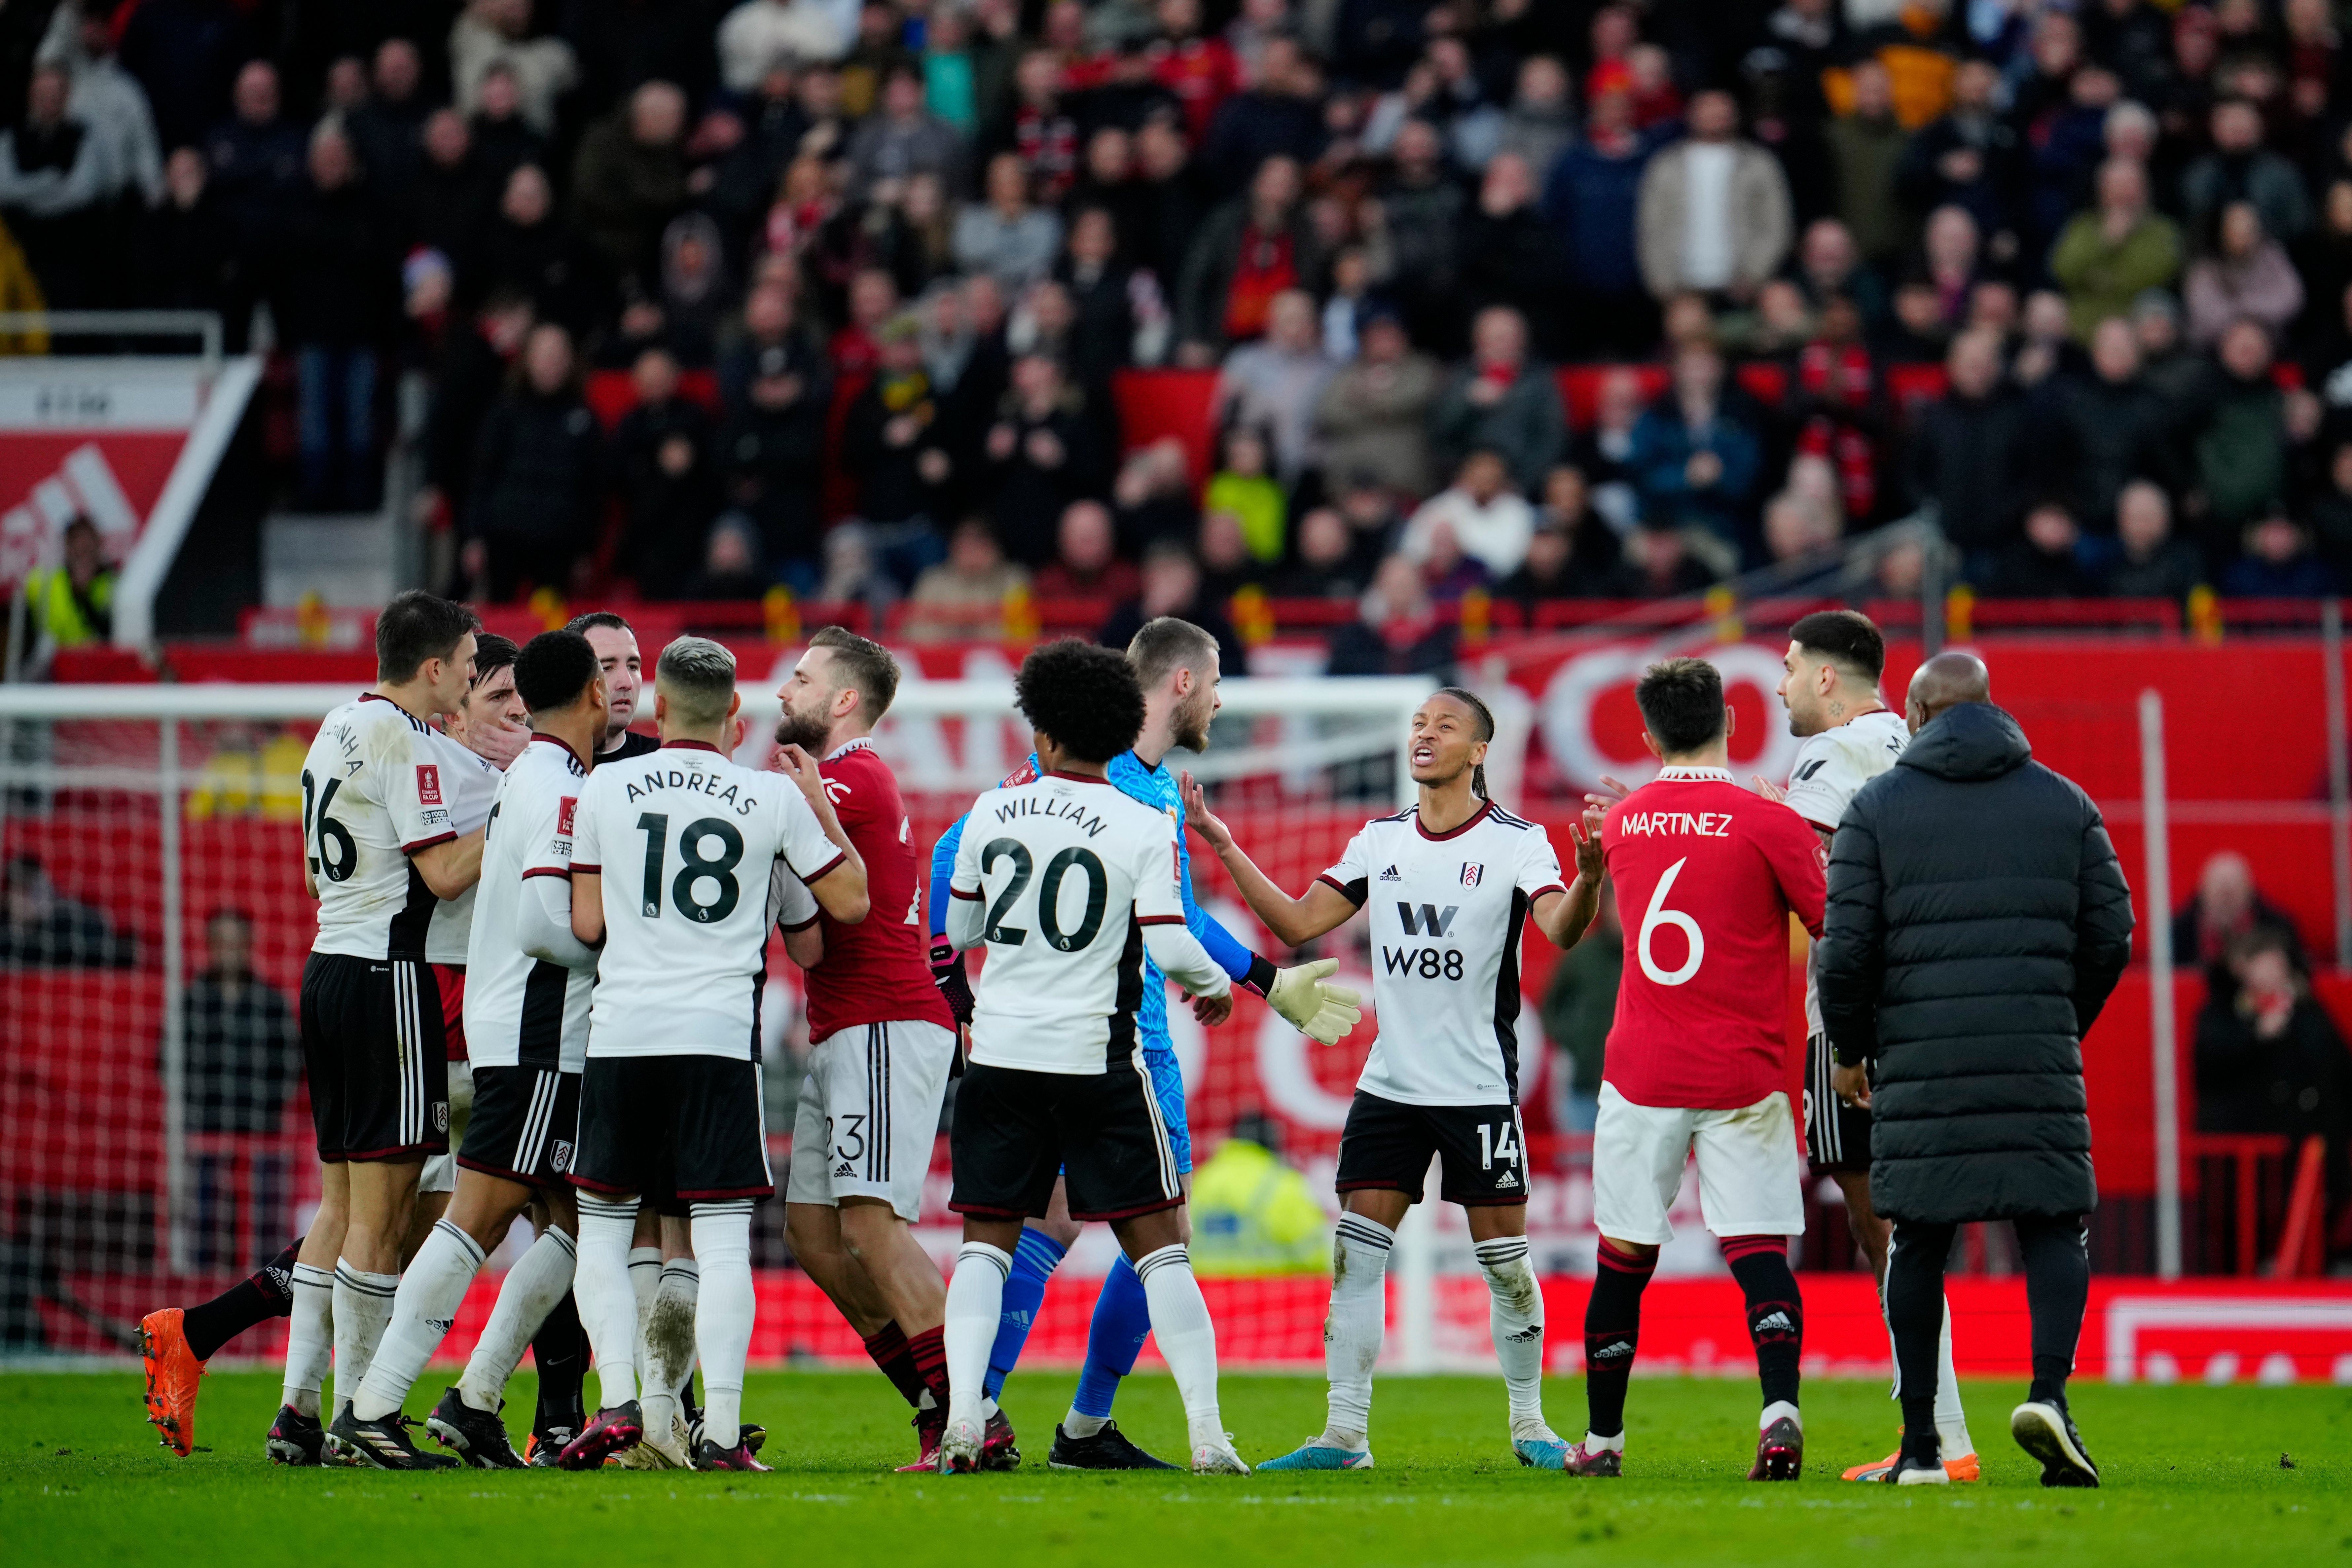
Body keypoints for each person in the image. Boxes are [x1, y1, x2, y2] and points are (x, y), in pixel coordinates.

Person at [924, 618, 1357, 1469]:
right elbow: (953, 863)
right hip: (1115, 1039)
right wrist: (1255, 981)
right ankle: (1072, 1419)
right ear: (1182, 684)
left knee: (1033, 1225)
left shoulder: (1112, 783)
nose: (1224, 699)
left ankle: (991, 1413)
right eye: (1218, 680)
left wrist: (960, 978)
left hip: (1041, 1040)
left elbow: (967, 883)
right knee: (1159, 1232)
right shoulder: (1117, 788)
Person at [1186, 688, 1606, 1473]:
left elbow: (1561, 928)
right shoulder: (1378, 840)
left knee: (1507, 1266)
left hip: (1478, 1087)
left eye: (1445, 727)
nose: (1425, 735)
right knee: (1355, 1255)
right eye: (1418, 724)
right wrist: (1224, 843)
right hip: (1391, 1089)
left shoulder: (1519, 843)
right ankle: (1344, 1436)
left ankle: (1530, 1426)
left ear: (1479, 752)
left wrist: (1588, 878)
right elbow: (1296, 924)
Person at [1816, 653, 2134, 1487]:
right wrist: (2062, 1018)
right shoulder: (2064, 802)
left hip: (1918, 1061)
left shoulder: (1876, 809)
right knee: (2052, 1225)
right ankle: (2050, 1398)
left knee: (1918, 1238)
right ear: (1990, 707)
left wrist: (1850, 1051)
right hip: (2035, 1050)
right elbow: (2113, 934)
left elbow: (1843, 954)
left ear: (1916, 714)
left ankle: (1921, 1445)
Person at [562, 637, 870, 1473]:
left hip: (623, 1032)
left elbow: (587, 927)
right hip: (715, 1039)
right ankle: (725, 1433)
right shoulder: (770, 796)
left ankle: (619, 1405)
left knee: (605, 1229)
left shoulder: (605, 786)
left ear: (659, 711)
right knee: (724, 1239)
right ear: (736, 715)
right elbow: (851, 900)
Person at [335, 630, 608, 1469]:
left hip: (513, 1022)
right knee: (477, 1216)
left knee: (578, 1223)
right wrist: (615, 948)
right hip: (537, 1028)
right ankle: (372, 1407)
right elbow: (542, 924)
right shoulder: (560, 788)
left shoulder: (526, 775)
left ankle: (474, 1399)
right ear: (594, 695)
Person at [1564, 657, 1825, 1481]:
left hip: (1642, 1069)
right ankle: (1779, 1416)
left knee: (1622, 1258)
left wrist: (1623, 818)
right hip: (1742, 1069)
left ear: (1645, 735)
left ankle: (1603, 1445)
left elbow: (1633, 840)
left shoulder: (1622, 822)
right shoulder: (1766, 819)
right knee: (1756, 1251)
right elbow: (1834, 924)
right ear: (1732, 722)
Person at [1761, 612, 1980, 1484]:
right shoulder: (1914, 742)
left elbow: (1818, 883)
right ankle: (1938, 1435)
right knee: (1898, 1218)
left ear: (1826, 678)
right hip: (1936, 997)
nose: (1778, 684)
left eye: (1787, 667)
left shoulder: (1832, 755)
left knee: (1880, 1218)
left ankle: (1939, 1438)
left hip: (1863, 1010)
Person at [271, 592, 486, 1466]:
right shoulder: (403, 736)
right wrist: (513, 818)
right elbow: (440, 873)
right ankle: (363, 1417)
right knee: (385, 1211)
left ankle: (297, 1407)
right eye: (470, 663)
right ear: (433, 668)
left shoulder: (335, 723)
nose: (475, 676)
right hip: (384, 980)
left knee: (339, 1204)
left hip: (325, 967)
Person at [772, 629, 962, 1470]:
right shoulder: (837, 784)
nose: (785, 691)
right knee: (814, 1234)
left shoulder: (850, 778)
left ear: (844, 701)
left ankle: (970, 1419)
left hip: (885, 1023)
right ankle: (936, 1403)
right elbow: (809, 942)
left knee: (873, 1227)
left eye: (803, 679)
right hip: (845, 1024)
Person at [567, 611, 662, 762]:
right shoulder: (536, 768)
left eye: (633, 667)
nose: (627, 683)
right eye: (607, 668)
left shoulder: (663, 764)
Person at [22, 515, 116, 649]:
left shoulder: (113, 584)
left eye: (88, 542)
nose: (82, 546)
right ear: (67, 546)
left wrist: (84, 595)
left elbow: (111, 635)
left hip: (97, 662)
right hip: (53, 664)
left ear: (99, 544)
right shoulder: (44, 582)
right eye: (76, 540)